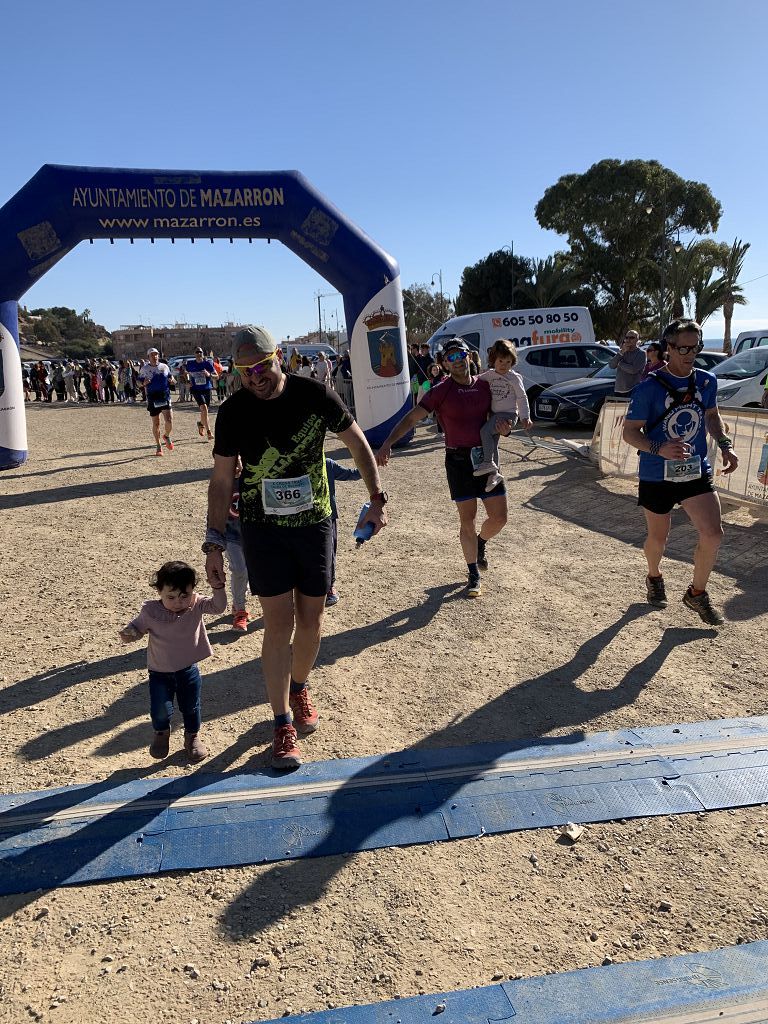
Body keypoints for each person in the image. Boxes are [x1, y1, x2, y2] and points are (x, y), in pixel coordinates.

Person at [204, 325, 387, 769]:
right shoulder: (233, 412)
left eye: (261, 366)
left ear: (279, 356)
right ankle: (281, 721)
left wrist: (376, 499)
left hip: (314, 526)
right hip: (262, 530)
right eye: (244, 371)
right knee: (277, 624)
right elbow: (222, 478)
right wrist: (212, 542)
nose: (254, 378)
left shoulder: (313, 394)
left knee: (312, 618)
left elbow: (357, 443)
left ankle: (299, 686)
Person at [622, 318, 739, 626]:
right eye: (683, 348)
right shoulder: (647, 388)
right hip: (656, 473)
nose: (690, 353)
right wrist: (659, 448)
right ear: (668, 348)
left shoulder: (706, 381)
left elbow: (712, 417)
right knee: (658, 540)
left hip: (694, 469)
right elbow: (630, 433)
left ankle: (696, 594)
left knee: (713, 534)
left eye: (695, 347)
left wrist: (725, 444)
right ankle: (654, 575)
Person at [377, 336, 509, 599]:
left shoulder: (486, 385)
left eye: (461, 356)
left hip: (486, 458)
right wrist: (388, 442)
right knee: (467, 520)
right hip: (458, 461)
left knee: (500, 517)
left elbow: (501, 416)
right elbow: (413, 416)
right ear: (445, 364)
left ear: (469, 356)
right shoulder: (441, 390)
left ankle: (481, 543)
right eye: (451, 358)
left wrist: (506, 428)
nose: (457, 362)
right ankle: (473, 573)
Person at [118, 560, 227, 762]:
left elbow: (219, 607)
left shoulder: (196, 604)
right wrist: (130, 633)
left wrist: (218, 586)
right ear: (159, 591)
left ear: (192, 591)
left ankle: (192, 737)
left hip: (188, 671)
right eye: (171, 596)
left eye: (184, 595)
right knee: (160, 709)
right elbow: (138, 627)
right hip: (159, 673)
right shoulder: (151, 612)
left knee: (191, 707)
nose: (178, 601)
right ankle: (161, 734)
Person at [474, 339, 533, 490]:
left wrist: (525, 416)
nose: (504, 365)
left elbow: (522, 397)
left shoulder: (514, 377)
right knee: (492, 444)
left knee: (484, 432)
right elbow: (475, 380)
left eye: (508, 362)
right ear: (493, 360)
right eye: (500, 361)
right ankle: (494, 474)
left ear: (512, 362)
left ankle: (488, 463)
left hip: (508, 415)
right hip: (494, 414)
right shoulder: (490, 375)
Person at [324, 456, 362, 606]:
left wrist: (371, 464)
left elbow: (351, 474)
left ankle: (329, 587)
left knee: (329, 553)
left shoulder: (327, 464)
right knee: (328, 553)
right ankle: (327, 589)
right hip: (318, 518)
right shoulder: (327, 463)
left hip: (327, 517)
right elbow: (351, 474)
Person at [137, 348, 176, 455]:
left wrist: (172, 381)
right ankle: (158, 446)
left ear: (158, 356)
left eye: (156, 355)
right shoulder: (144, 369)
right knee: (156, 423)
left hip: (164, 396)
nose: (154, 357)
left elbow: (171, 378)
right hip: (152, 397)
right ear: (148, 357)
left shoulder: (164, 367)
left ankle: (166, 436)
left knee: (169, 420)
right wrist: (143, 383)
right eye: (152, 355)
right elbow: (138, 383)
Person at [187, 346, 217, 440]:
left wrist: (209, 374)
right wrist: (188, 381)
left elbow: (217, 376)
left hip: (206, 389)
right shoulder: (190, 363)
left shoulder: (207, 364)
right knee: (204, 408)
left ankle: (201, 424)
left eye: (200, 352)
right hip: (196, 389)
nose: (199, 354)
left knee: (205, 411)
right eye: (197, 352)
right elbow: (186, 373)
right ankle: (209, 432)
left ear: (203, 354)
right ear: (194, 354)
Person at [610, 329, 646, 396]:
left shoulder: (641, 353)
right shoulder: (622, 352)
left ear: (637, 340)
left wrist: (619, 363)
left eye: (632, 337)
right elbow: (611, 365)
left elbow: (633, 370)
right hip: (618, 390)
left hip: (633, 389)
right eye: (627, 337)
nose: (628, 340)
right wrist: (621, 352)